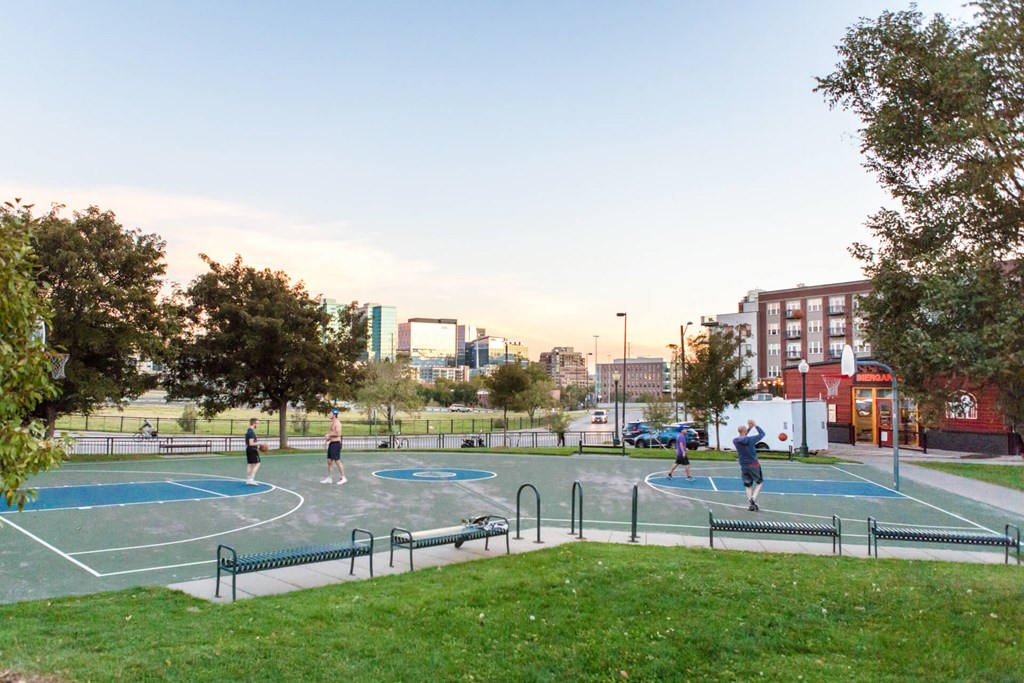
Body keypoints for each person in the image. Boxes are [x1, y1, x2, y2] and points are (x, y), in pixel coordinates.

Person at [733, 419, 765, 511]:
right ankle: (753, 498)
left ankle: (750, 504)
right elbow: (762, 434)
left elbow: (743, 438)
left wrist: (749, 429)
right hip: (753, 464)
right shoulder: (751, 440)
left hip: (743, 465)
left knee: (748, 484)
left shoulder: (735, 441)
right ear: (745, 431)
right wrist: (755, 425)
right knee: (759, 482)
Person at [322, 409, 347, 485]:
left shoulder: (337, 423)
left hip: (336, 444)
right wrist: (326, 440)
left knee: (337, 461)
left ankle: (343, 477)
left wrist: (329, 435)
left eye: (330, 413)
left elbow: (338, 433)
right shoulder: (332, 423)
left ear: (334, 415)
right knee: (329, 461)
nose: (329, 415)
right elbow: (331, 434)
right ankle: (329, 478)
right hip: (332, 444)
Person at [244, 417, 261, 486]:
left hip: (249, 449)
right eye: (257, 423)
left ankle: (248, 479)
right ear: (254, 423)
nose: (258, 425)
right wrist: (260, 443)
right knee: (257, 463)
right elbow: (251, 443)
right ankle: (251, 479)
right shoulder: (251, 432)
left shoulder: (248, 431)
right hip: (252, 449)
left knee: (250, 464)